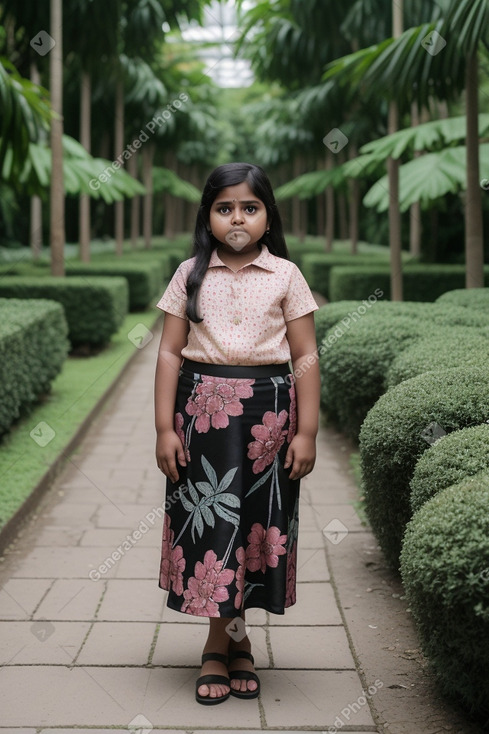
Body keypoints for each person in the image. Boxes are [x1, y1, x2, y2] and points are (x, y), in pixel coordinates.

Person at [154, 161, 320, 706]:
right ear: (209, 218)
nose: (237, 218)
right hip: (202, 416)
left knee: (256, 525)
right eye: (224, 209)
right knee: (211, 529)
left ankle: (238, 639)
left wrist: (308, 432)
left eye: (249, 207)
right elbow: (170, 351)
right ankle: (215, 645)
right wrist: (163, 427)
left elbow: (305, 356)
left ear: (268, 217)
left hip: (270, 419)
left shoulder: (287, 277)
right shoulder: (190, 274)